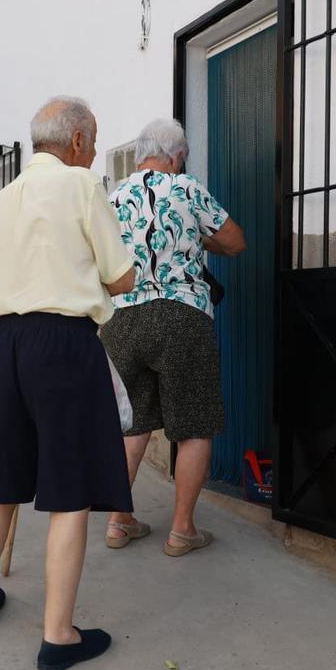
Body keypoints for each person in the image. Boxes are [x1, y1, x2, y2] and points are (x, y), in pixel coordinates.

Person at [0, 96, 136, 670]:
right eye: (93, 141)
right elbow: (121, 275)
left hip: (7, 344)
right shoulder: (84, 189)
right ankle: (58, 636)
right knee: (70, 489)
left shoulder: (4, 197)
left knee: (1, 478)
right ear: (80, 141)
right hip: (63, 343)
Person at [99, 118, 245, 555]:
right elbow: (235, 242)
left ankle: (118, 520)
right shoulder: (186, 188)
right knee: (194, 424)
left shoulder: (113, 196)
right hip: (181, 314)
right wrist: (202, 243)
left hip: (122, 319)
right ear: (176, 155)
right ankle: (182, 530)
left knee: (132, 423)